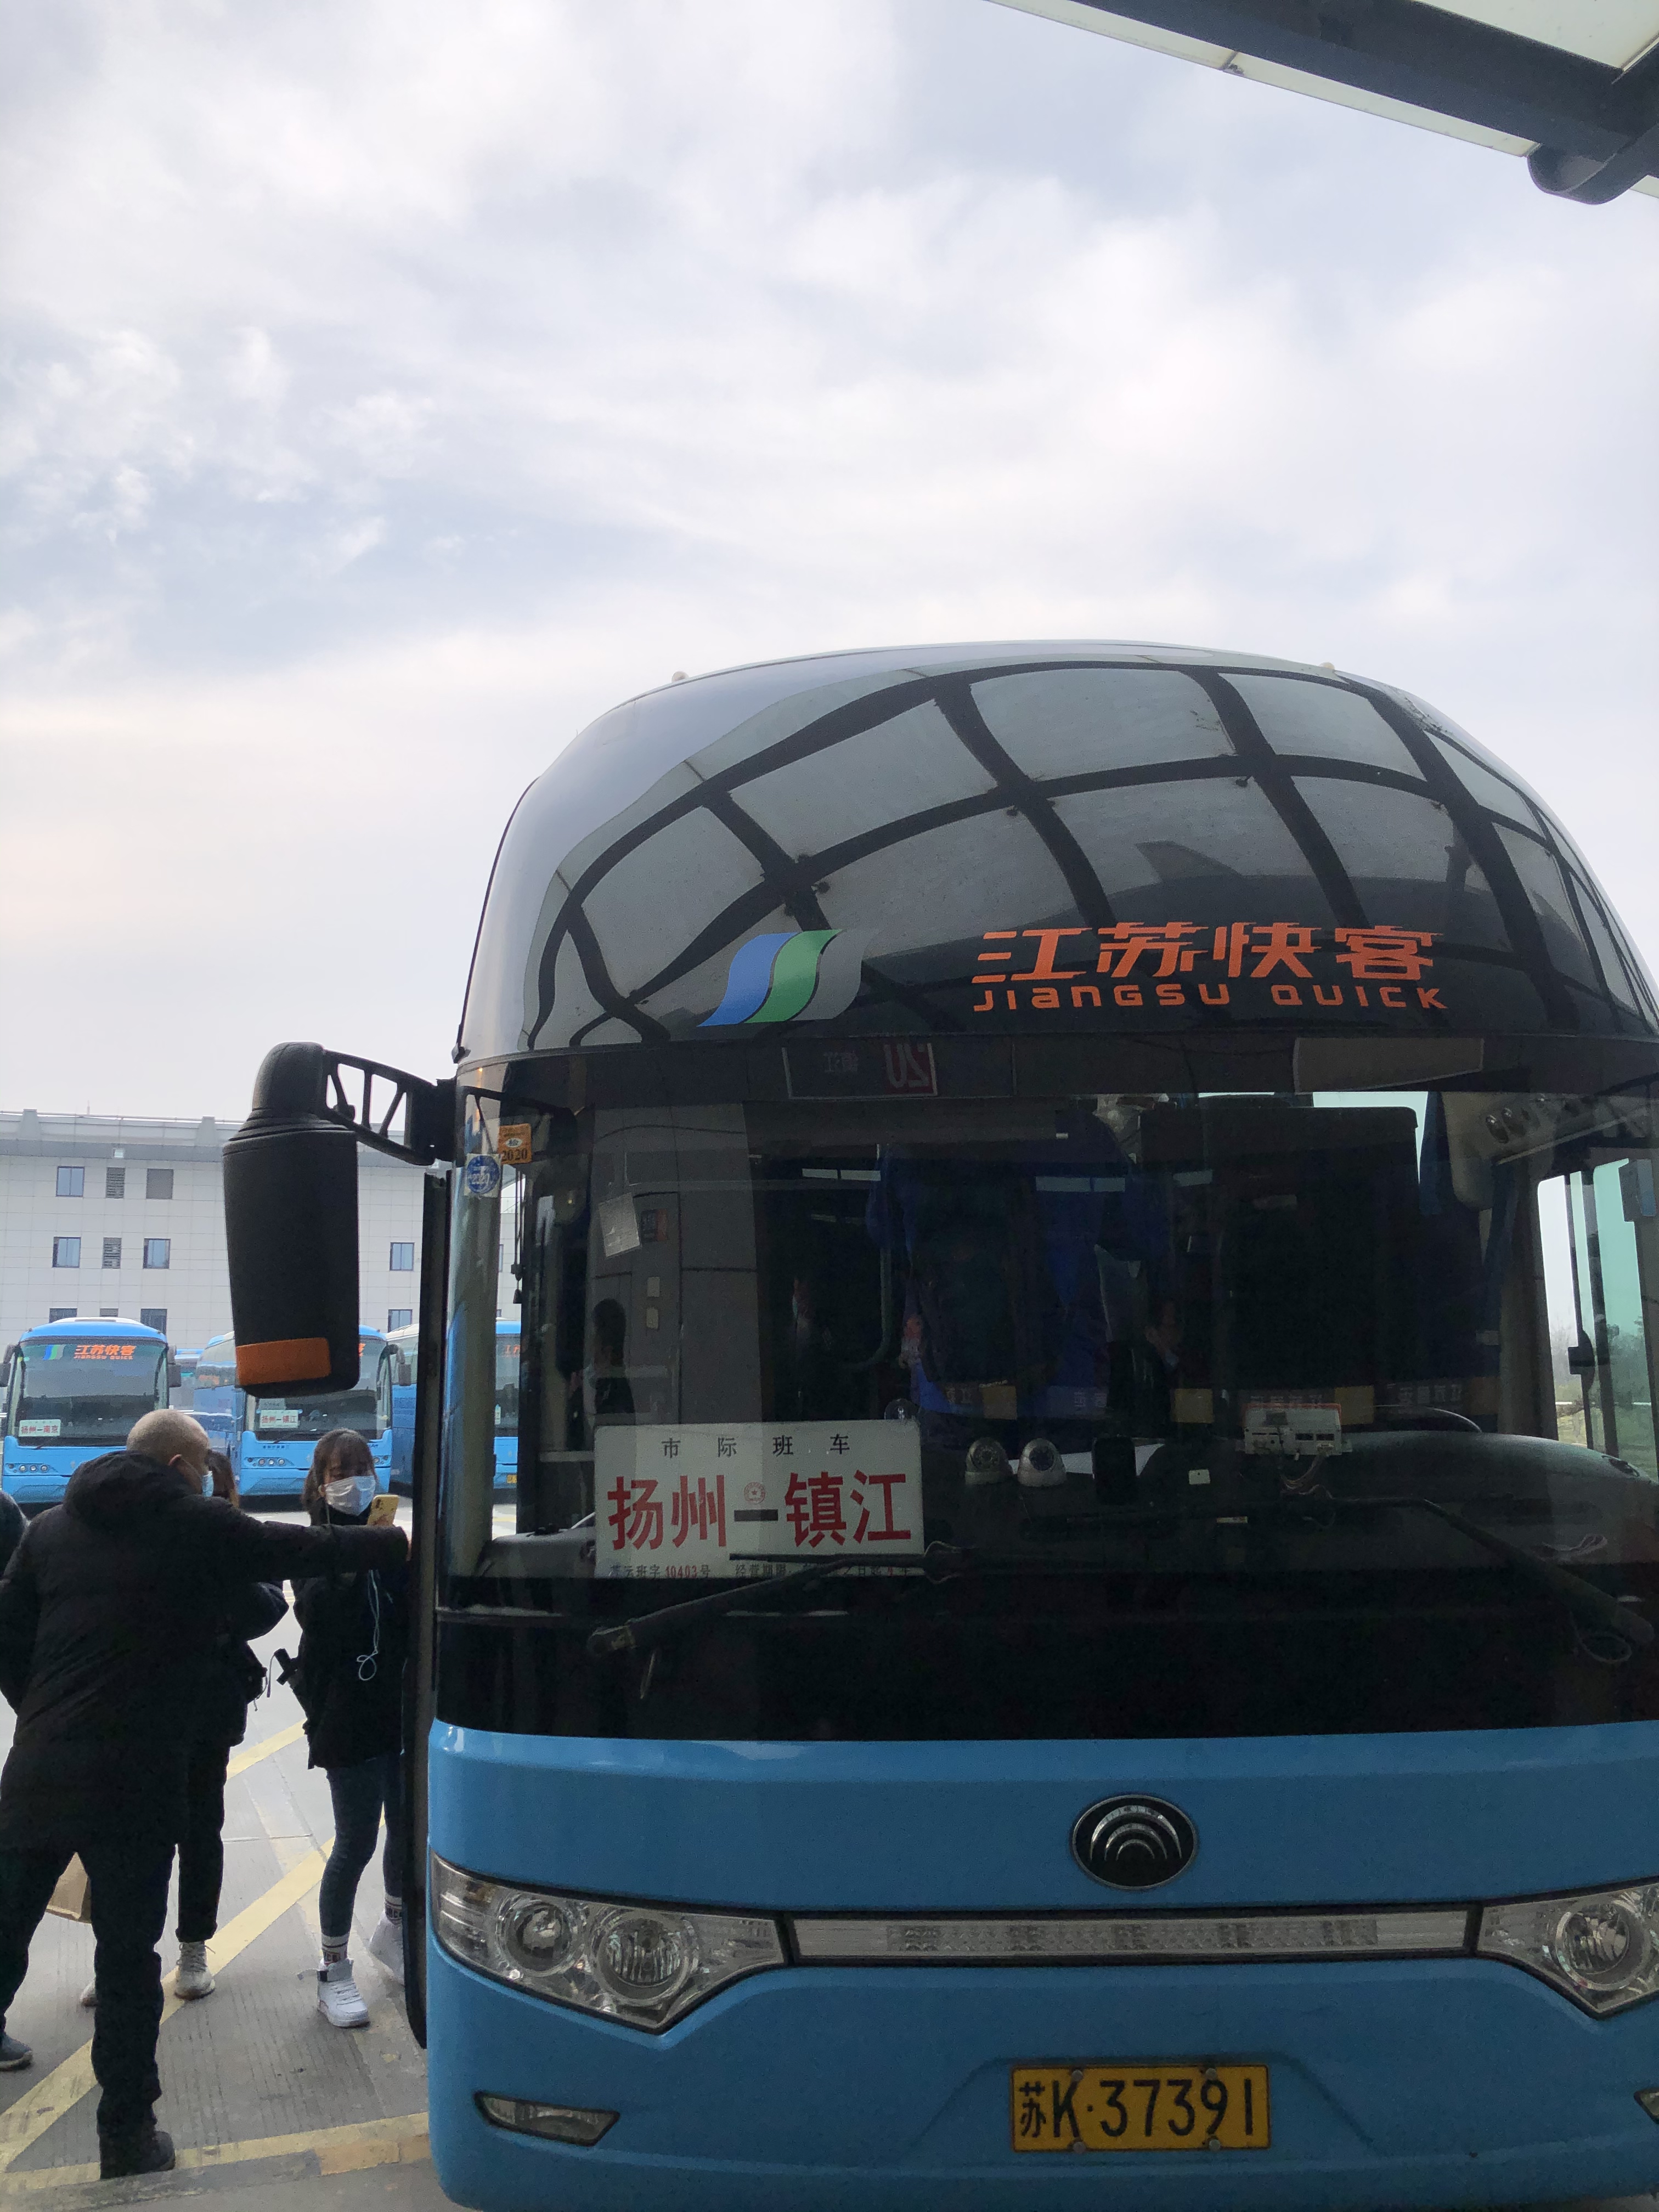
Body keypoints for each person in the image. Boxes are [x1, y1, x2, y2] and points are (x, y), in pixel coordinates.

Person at [0, 1409, 406, 2180]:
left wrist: (44, 1716)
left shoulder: (49, 1529)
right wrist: (395, 1543)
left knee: (4, 1923)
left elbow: (8, 1632)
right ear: (181, 1467)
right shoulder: (191, 1521)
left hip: (40, 1770)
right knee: (127, 1964)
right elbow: (298, 1549)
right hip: (137, 1776)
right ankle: (126, 2137)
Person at [77, 1450, 285, 2011]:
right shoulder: (118, 1528)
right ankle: (120, 1957)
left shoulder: (224, 1533)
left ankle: (190, 1949)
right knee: (132, 1842)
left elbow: (266, 1607)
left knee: (194, 1831)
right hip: (133, 1713)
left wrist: (222, 1551)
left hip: (196, 1713)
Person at [290, 1430, 408, 2030]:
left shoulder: (390, 1537)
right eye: (340, 1470)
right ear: (321, 1480)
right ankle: (333, 1972)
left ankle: (395, 1929)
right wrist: (352, 1561)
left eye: (362, 1467)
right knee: (355, 1841)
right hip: (345, 1713)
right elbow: (316, 1617)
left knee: (407, 1827)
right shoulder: (312, 1544)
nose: (354, 1479)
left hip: (398, 1707)